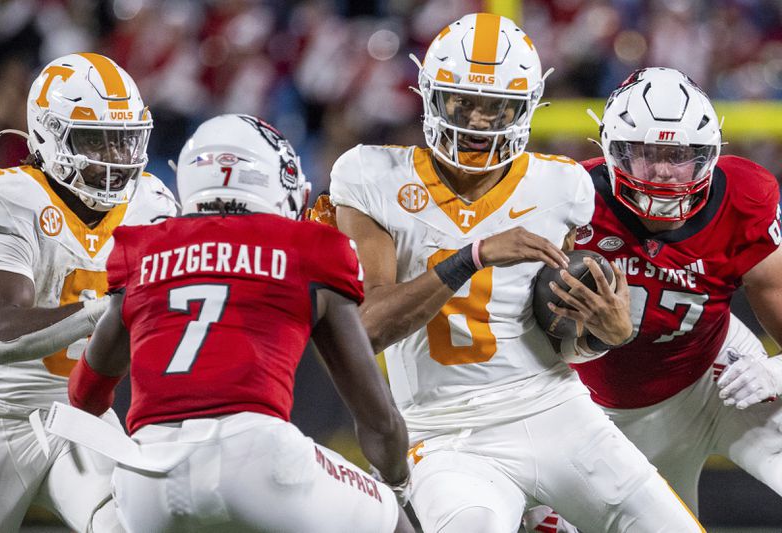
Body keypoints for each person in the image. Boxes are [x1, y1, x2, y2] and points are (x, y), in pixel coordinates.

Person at [328, 13, 704, 533]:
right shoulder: (371, 175)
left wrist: (605, 336)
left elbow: (558, 331)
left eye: (496, 106)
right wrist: (472, 256)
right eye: (465, 102)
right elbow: (366, 328)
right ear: (431, 96)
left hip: (555, 408)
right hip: (443, 431)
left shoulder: (562, 187)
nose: (480, 122)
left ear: (526, 108)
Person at [43, 113, 415, 533]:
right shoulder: (310, 248)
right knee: (389, 517)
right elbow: (377, 417)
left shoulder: (141, 250)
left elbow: (86, 392)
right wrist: (396, 481)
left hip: (147, 476)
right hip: (256, 456)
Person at [556, 67, 782, 514]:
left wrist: (778, 371)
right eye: (644, 153)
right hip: (612, 414)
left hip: (721, 376)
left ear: (709, 154)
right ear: (612, 152)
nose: (661, 170)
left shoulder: (744, 196)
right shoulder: (568, 199)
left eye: (679, 154)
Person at [0, 53, 176, 532]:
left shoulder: (150, 202)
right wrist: (108, 310)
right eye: (96, 141)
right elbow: (2, 333)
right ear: (48, 134)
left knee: (130, 521)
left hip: (79, 414)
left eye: (123, 142)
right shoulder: (10, 197)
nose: (113, 159)